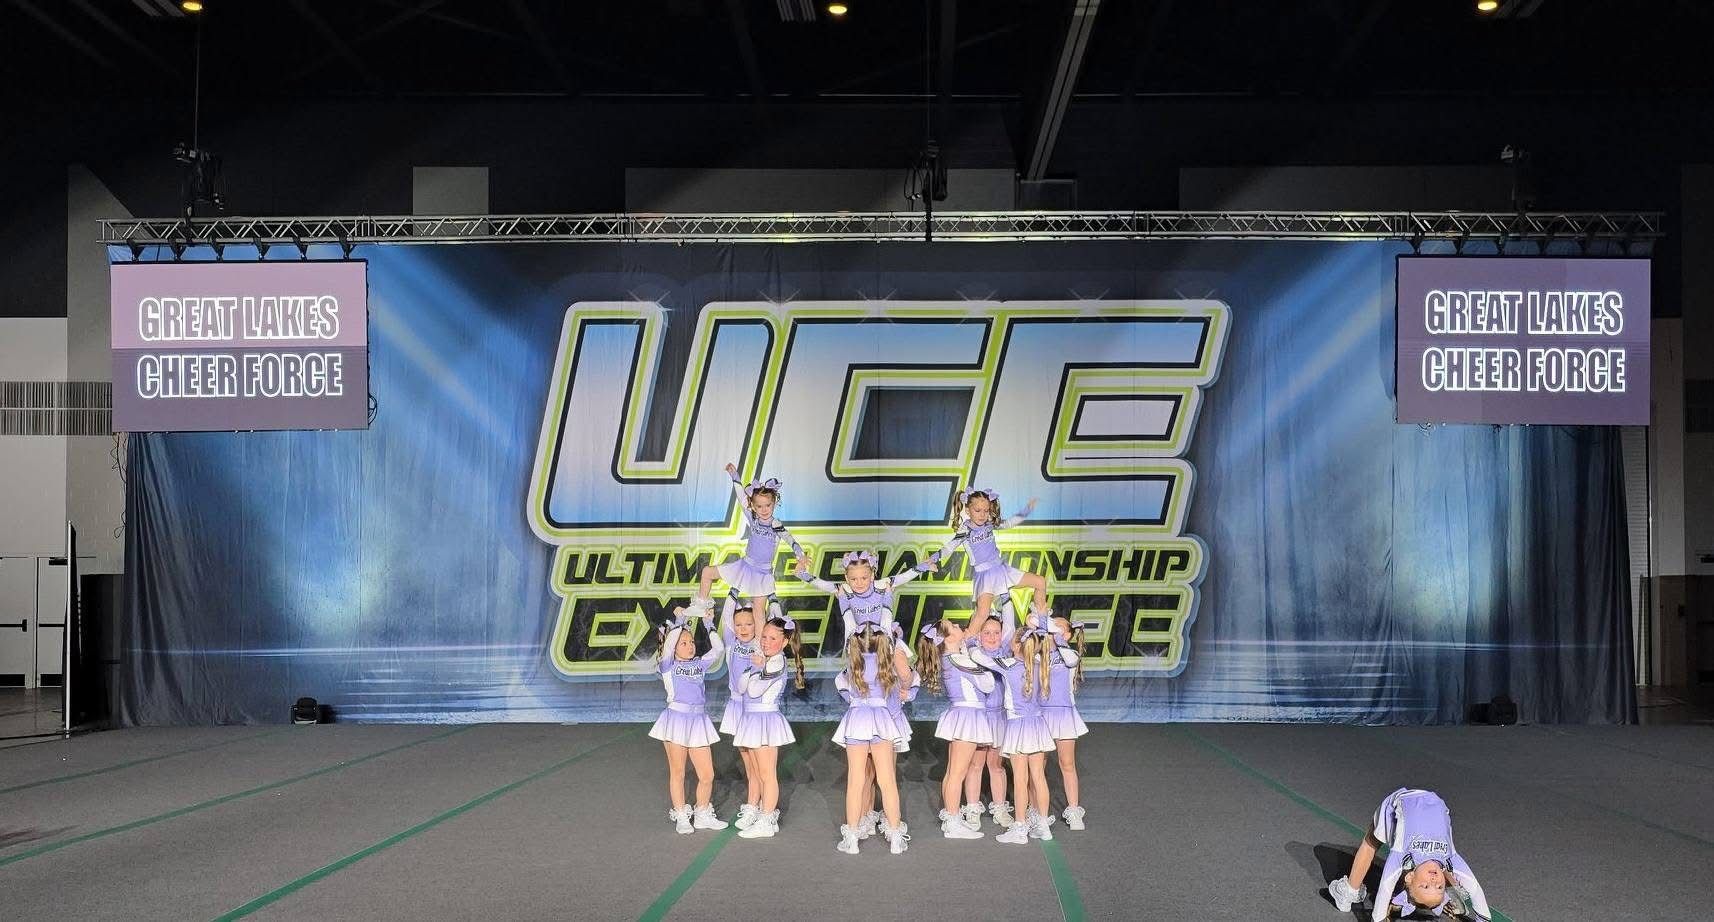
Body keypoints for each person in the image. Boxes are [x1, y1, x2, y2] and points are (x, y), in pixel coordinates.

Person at [1328, 787, 1492, 921]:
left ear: (1409, 877)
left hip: (1398, 803)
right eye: (1439, 887)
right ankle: (1448, 889)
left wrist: (1378, 918)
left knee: (1370, 842)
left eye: (1425, 886)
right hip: (1435, 801)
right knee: (1448, 870)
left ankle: (1349, 892)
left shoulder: (1400, 856)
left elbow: (1385, 887)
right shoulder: (1450, 859)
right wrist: (1483, 919)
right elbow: (1475, 888)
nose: (1433, 881)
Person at [647, 607, 727, 834]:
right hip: (676, 721)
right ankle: (681, 815)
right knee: (678, 772)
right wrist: (681, 619)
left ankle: (702, 813)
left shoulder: (700, 663)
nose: (690, 645)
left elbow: (719, 648)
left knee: (707, 774)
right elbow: (670, 642)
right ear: (673, 647)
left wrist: (709, 624)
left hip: (699, 721)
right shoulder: (667, 665)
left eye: (691, 642)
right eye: (684, 643)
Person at [729, 613, 805, 839]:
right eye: (764, 637)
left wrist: (756, 669)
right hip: (751, 719)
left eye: (773, 639)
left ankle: (767, 818)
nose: (765, 642)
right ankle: (757, 810)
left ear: (784, 642)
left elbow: (753, 690)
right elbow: (741, 686)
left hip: (765, 720)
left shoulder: (777, 661)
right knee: (755, 771)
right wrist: (755, 668)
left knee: (766, 773)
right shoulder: (762, 658)